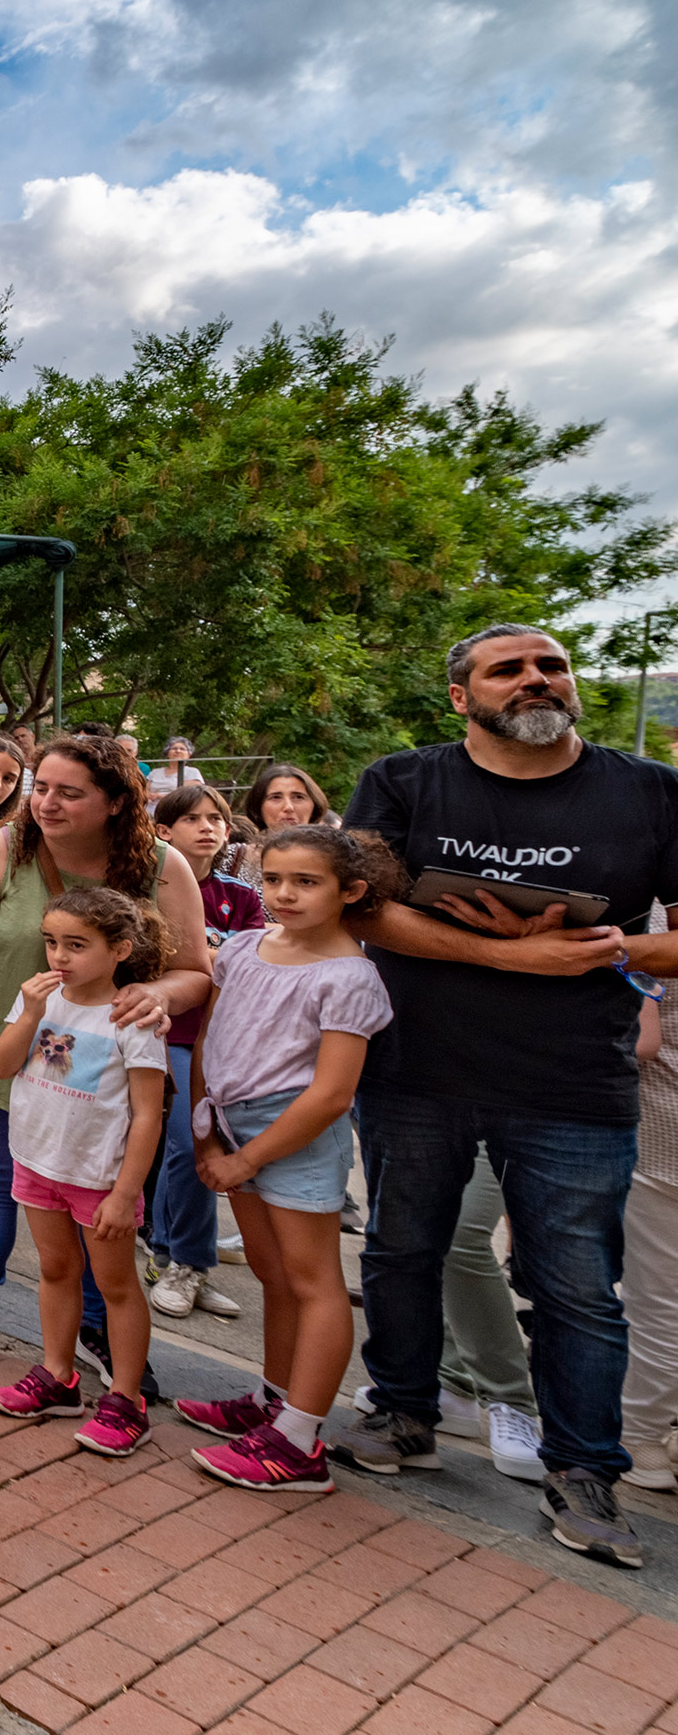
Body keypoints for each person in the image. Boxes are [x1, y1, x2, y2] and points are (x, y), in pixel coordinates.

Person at [331, 625, 678, 1570]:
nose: (536, 678)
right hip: (416, 1069)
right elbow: (359, 903)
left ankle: (582, 1470)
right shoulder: (403, 781)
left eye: (551, 664)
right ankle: (401, 1412)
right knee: (401, 1250)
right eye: (509, 667)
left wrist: (611, 949)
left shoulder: (648, 792)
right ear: (461, 696)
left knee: (574, 1289)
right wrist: (505, 951)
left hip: (573, 1081)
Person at [0, 735, 216, 1371]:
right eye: (40, 787)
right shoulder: (1, 848)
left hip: (96, 1072)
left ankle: (100, 1328)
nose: (45, 803)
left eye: (68, 793)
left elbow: (195, 973)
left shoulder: (163, 867)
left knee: (93, 1193)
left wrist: (155, 994)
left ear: (114, 803)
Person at [173, 826, 403, 1493]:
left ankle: (299, 1439)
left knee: (312, 1281)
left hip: (290, 1134)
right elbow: (208, 1041)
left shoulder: (350, 976)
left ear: (350, 890)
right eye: (272, 878)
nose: (283, 893)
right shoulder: (244, 946)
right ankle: (273, 1397)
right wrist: (205, 1133)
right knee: (273, 1272)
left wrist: (246, 1162)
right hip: (228, 1122)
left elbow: (331, 1094)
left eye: (305, 881)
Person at [0, 888, 174, 1459]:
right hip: (38, 1161)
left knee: (116, 1286)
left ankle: (125, 1398)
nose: (59, 957)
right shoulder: (39, 1000)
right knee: (55, 1269)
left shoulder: (132, 1018)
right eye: (51, 943)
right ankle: (58, 1376)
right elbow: (1, 1064)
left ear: (119, 949)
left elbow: (148, 1115)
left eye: (76, 945)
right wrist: (34, 1014)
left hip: (98, 1177)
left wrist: (125, 1194)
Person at [136, 782, 266, 1323]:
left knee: (192, 1146)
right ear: (163, 831)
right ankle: (183, 1259)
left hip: (219, 1039)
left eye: (217, 818)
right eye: (193, 819)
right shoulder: (142, 885)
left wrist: (219, 957)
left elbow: (255, 965)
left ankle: (172, 1252)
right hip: (159, 1032)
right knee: (189, 1143)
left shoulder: (243, 896)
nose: (208, 827)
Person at [623, 908, 676, 1490]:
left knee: (658, 1300)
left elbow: (644, 1040)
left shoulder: (651, 914)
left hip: (662, 1130)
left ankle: (640, 1433)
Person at [242, 762, 334, 834]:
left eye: (298, 797)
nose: (288, 807)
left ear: (315, 805)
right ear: (258, 808)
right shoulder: (239, 856)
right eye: (276, 797)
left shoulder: (336, 855)